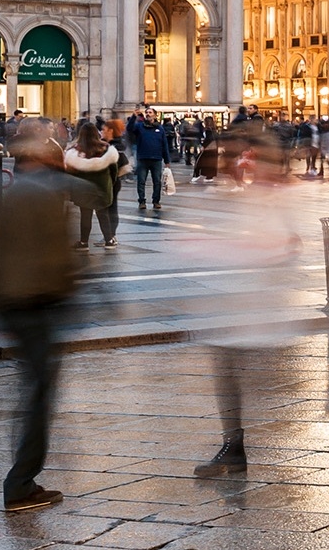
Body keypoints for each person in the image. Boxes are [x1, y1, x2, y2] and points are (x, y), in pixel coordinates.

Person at [182, 126, 298, 478]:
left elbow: (287, 246)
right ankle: (234, 448)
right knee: (227, 377)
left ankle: (237, 448)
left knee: (238, 379)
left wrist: (248, 252)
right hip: (236, 310)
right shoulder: (245, 196)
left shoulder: (275, 199)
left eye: (247, 157)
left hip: (256, 312)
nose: (240, 163)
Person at [0, 125, 84, 511]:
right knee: (39, 396)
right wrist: (71, 290)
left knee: (33, 391)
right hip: (36, 303)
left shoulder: (12, 193)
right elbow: (57, 257)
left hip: (12, 301)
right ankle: (21, 483)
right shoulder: (43, 195)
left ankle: (22, 479)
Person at [63, 122, 122, 249]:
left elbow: (70, 171)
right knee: (103, 214)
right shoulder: (106, 149)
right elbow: (114, 170)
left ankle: (84, 242)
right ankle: (109, 240)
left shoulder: (76, 151)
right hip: (102, 187)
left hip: (83, 188)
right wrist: (110, 183)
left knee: (85, 214)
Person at [125, 110, 170, 217]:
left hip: (156, 159)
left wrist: (167, 160)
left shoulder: (160, 128)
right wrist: (133, 117)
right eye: (147, 113)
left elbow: (164, 144)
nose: (148, 114)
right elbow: (129, 129)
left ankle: (156, 201)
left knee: (157, 182)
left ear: (155, 115)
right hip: (143, 158)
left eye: (150, 112)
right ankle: (142, 201)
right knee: (141, 181)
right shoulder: (140, 126)